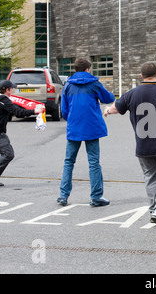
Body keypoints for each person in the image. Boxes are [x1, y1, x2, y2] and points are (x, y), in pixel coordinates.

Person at [104, 62, 156, 226]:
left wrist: (107, 110)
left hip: (144, 146)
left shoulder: (132, 94)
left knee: (151, 177)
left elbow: (116, 108)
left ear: (142, 76)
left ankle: (155, 210)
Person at [57, 58, 115, 207]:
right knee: (94, 162)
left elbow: (64, 110)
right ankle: (96, 196)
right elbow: (108, 98)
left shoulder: (68, 85)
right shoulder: (94, 84)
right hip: (91, 127)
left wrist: (71, 119)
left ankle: (63, 195)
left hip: (74, 127)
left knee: (69, 161)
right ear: (88, 69)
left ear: (75, 69)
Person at [0, 80, 45, 186]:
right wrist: (34, 112)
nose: (13, 90)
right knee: (8, 154)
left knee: (6, 153)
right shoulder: (4, 100)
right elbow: (18, 112)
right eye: (11, 88)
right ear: (7, 90)